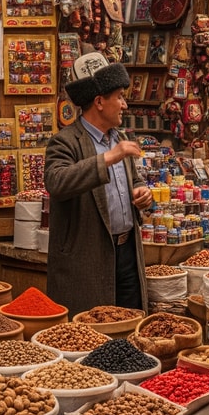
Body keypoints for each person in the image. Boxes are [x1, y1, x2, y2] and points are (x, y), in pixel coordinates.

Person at [44, 52, 153, 312]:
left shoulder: (118, 137)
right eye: (119, 97)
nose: (125, 105)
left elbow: (133, 179)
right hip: (88, 258)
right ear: (99, 102)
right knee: (92, 335)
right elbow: (57, 182)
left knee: (130, 325)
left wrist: (140, 191)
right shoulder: (66, 141)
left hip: (127, 253)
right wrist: (109, 157)